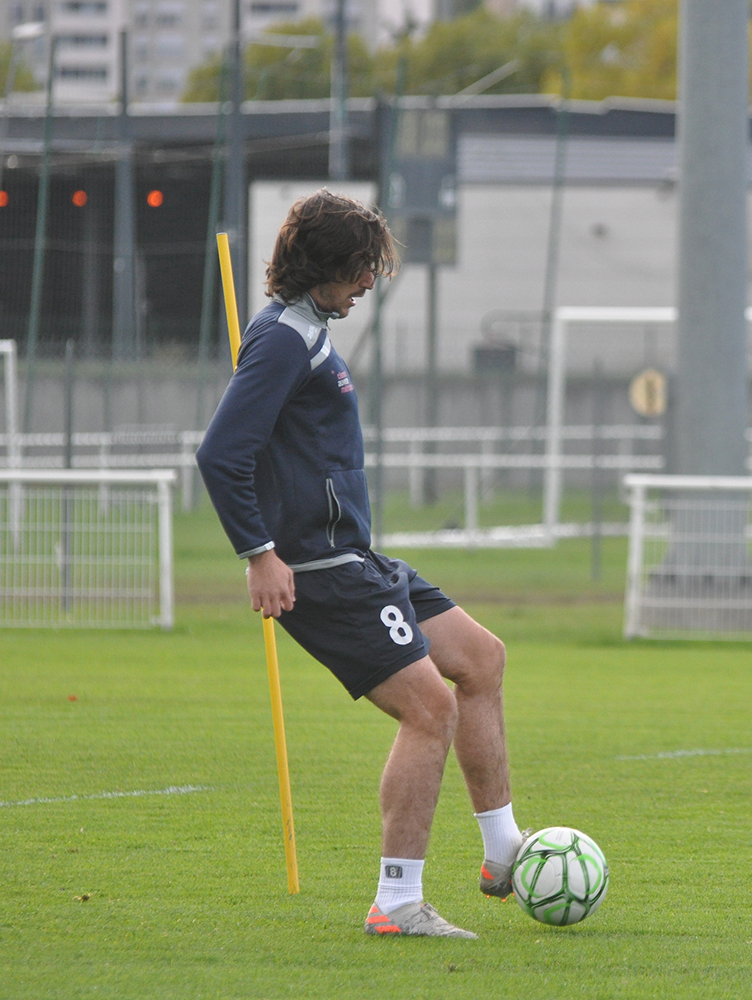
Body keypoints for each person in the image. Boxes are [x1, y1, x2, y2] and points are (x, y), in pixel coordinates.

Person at [197, 190, 525, 939]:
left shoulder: (306, 329)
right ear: (321, 265)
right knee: (429, 709)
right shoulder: (283, 339)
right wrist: (260, 554)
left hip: (357, 555)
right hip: (319, 570)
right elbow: (222, 453)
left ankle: (504, 850)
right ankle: (397, 902)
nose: (369, 282)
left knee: (481, 659)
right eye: (359, 267)